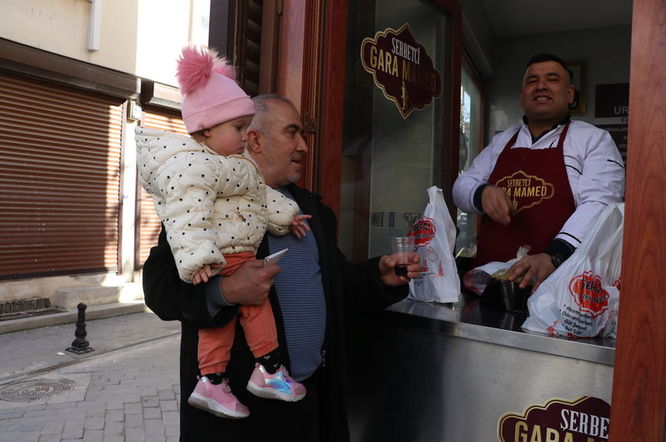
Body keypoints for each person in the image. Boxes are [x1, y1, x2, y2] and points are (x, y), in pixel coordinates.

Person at [142, 93, 420, 441]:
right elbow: (158, 288)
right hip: (243, 419)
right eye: (292, 133)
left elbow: (336, 285)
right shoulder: (206, 204)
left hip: (309, 403)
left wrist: (379, 275)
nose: (303, 146)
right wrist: (224, 291)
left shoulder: (312, 212)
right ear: (255, 139)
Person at [137, 47, 311, 420]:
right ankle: (240, 375)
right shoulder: (193, 168)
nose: (246, 136)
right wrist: (216, 283)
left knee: (246, 315)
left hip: (305, 412)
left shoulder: (243, 171)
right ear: (207, 129)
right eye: (240, 129)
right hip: (235, 430)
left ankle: (232, 377)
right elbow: (186, 216)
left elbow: (260, 196)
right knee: (234, 319)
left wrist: (289, 215)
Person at [453, 53, 624, 290]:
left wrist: (554, 255)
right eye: (532, 81)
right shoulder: (502, 141)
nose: (541, 86)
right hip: (491, 285)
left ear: (570, 94)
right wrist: (481, 193)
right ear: (522, 95)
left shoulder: (593, 139)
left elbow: (600, 203)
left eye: (552, 79)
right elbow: (461, 186)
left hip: (559, 288)